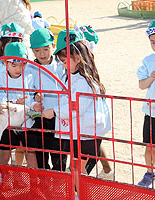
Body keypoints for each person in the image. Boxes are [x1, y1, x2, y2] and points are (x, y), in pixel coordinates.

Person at [42, 29, 111, 189]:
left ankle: (80, 194)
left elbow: (76, 106)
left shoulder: (84, 81)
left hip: (86, 133)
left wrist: (55, 112)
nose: (64, 65)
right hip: (78, 132)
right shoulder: (73, 76)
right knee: (76, 170)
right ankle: (79, 193)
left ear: (78, 57)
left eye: (66, 62)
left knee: (77, 170)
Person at [0, 42, 43, 168]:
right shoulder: (0, 78)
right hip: (8, 122)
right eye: (14, 65)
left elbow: (30, 99)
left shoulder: (29, 77)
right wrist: (14, 103)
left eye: (23, 64)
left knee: (31, 153)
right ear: (5, 62)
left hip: (27, 121)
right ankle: (2, 182)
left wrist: (35, 104)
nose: (18, 69)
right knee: (5, 153)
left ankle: (35, 183)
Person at [27, 28, 65, 170]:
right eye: (37, 50)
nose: (42, 54)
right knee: (41, 155)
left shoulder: (61, 66)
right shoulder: (30, 68)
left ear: (53, 47)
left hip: (58, 116)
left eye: (45, 49)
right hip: (39, 117)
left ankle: (59, 186)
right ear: (32, 51)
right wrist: (34, 96)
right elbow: (27, 90)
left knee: (59, 155)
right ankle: (45, 187)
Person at [137, 17, 155, 187]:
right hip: (153, 111)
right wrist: (150, 79)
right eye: (153, 42)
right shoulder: (148, 61)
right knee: (150, 147)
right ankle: (150, 172)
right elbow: (141, 85)